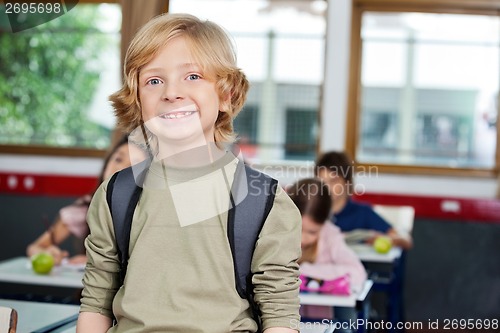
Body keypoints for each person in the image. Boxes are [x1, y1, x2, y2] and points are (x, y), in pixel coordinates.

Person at [77, 13, 302, 333]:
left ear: (227, 95)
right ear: (138, 100)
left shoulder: (264, 200)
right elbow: (96, 301)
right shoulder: (117, 194)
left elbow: (279, 314)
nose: (172, 93)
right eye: (154, 81)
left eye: (193, 76)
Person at [26, 136, 146, 265]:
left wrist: (99, 263)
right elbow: (35, 248)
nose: (121, 168)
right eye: (118, 159)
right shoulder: (86, 207)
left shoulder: (154, 212)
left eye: (134, 166)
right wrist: (47, 254)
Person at [286, 178, 366, 324]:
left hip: (319, 323)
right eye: (298, 229)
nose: (303, 238)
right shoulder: (275, 232)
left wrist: (304, 270)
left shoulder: (330, 236)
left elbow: (358, 273)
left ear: (323, 224)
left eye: (312, 232)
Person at [315, 151, 413, 249]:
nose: (326, 187)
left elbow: (406, 240)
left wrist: (385, 239)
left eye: (333, 181)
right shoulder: (312, 212)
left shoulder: (363, 212)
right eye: (321, 181)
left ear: (347, 182)